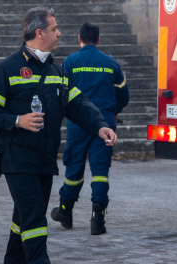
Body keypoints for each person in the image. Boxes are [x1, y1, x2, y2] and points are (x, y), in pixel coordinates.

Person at [0, 7, 117, 264]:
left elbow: (79, 104)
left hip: (45, 160)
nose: (59, 33)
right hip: (18, 160)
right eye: (54, 29)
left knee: (24, 219)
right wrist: (17, 120)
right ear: (39, 33)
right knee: (35, 222)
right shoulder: (6, 69)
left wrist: (100, 125)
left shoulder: (57, 72)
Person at [51, 23, 130, 234]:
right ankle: (98, 221)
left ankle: (66, 212)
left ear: (79, 39)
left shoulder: (70, 62)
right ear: (98, 40)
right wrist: (113, 111)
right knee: (100, 172)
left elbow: (61, 92)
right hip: (105, 125)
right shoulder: (111, 63)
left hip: (78, 125)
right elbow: (124, 95)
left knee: (73, 170)